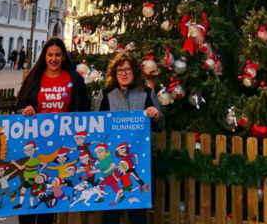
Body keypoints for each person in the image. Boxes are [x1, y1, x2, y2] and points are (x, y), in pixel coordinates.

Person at [15, 37, 91, 224]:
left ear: (63, 56)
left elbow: (85, 108)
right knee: (30, 194)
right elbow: (19, 106)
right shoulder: (34, 78)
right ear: (44, 56)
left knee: (49, 196)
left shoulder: (74, 78)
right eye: (50, 55)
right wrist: (24, 110)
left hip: (60, 147)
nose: (54, 59)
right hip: (35, 145)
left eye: (58, 55)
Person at [94, 51, 165, 224]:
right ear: (114, 73)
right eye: (119, 70)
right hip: (112, 164)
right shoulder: (106, 94)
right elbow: (96, 127)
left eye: (127, 69)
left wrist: (156, 115)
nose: (124, 73)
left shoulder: (147, 93)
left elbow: (161, 126)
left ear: (134, 71)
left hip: (139, 162)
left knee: (138, 214)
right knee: (111, 213)